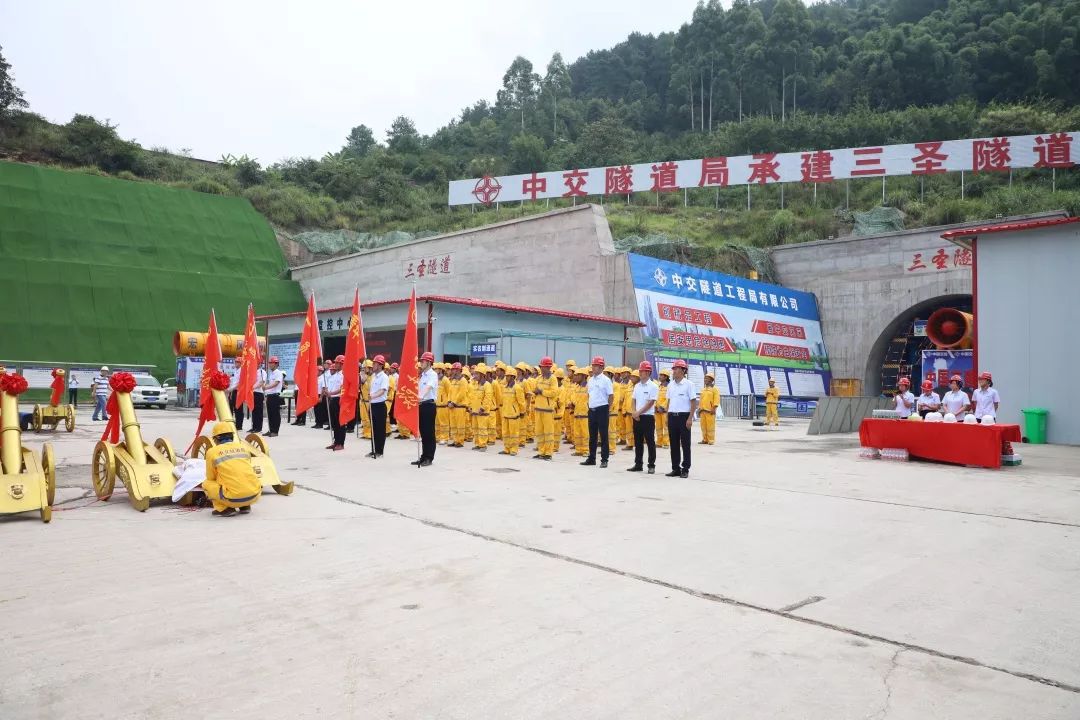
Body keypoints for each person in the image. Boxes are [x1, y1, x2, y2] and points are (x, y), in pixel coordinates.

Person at [203, 421, 262, 517]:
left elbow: (211, 476)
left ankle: (224, 509)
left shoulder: (212, 452)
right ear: (232, 436)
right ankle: (245, 506)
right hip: (254, 494)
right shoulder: (244, 448)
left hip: (232, 498)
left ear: (216, 439)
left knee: (207, 483)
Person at [665, 359, 698, 478]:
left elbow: (694, 402)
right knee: (673, 444)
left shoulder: (689, 384)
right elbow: (669, 401)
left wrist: (690, 418)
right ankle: (675, 468)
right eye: (673, 369)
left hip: (684, 417)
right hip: (672, 416)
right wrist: (666, 416)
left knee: (685, 444)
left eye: (676, 368)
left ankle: (685, 468)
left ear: (683, 370)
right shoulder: (670, 385)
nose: (674, 371)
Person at [581, 356, 614, 468]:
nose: (594, 368)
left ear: (601, 367)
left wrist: (607, 409)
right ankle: (591, 458)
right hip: (592, 410)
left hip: (602, 409)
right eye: (593, 365)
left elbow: (611, 396)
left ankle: (604, 459)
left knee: (604, 436)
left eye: (596, 366)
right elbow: (590, 394)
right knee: (592, 436)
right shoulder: (590, 380)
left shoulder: (606, 380)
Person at [628, 361, 658, 474]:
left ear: (648, 372)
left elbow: (650, 403)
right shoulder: (637, 386)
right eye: (640, 370)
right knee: (638, 442)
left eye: (642, 371)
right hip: (637, 417)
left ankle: (651, 465)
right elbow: (633, 400)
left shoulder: (653, 386)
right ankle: (638, 464)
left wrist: (638, 413)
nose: (640, 373)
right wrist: (634, 412)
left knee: (650, 442)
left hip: (647, 417)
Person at [413, 352, 438, 467]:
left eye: (422, 361)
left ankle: (429, 457)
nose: (421, 363)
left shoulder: (433, 374)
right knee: (423, 432)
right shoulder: (422, 375)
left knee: (429, 433)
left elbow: (428, 387)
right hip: (421, 405)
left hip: (428, 405)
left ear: (428, 362)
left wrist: (421, 396)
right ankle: (423, 457)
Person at [531, 357, 559, 460]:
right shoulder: (539, 378)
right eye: (541, 367)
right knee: (539, 432)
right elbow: (535, 389)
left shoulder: (553, 378)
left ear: (549, 367)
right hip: (538, 409)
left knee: (548, 432)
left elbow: (554, 393)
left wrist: (541, 391)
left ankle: (548, 453)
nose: (541, 369)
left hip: (547, 410)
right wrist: (535, 391)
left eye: (543, 367)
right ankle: (541, 451)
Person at [368, 355, 389, 458]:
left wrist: (372, 396)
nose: (373, 365)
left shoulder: (384, 377)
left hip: (380, 406)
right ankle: (373, 450)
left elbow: (382, 390)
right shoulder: (373, 376)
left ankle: (379, 451)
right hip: (372, 405)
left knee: (380, 430)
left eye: (375, 363)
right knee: (373, 429)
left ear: (380, 365)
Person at [324, 355, 345, 451]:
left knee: (340, 422)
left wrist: (331, 393)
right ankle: (336, 441)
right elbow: (329, 387)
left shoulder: (343, 375)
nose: (335, 364)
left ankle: (341, 443)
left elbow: (342, 389)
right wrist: (327, 392)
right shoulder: (334, 375)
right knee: (334, 422)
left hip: (339, 400)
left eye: (337, 363)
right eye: (335, 362)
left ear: (342, 364)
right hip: (332, 399)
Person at [447, 363, 469, 447]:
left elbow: (462, 393)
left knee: (460, 425)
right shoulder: (453, 380)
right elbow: (450, 392)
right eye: (453, 369)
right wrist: (449, 401)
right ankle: (455, 440)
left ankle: (460, 441)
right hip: (452, 406)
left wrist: (454, 402)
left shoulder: (463, 381)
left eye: (455, 369)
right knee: (453, 425)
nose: (453, 371)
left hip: (459, 406)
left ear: (459, 370)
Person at [262, 356, 283, 437]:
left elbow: (276, 384)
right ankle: (270, 429)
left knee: (275, 414)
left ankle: (275, 431)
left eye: (272, 363)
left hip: (275, 396)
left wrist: (266, 387)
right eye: (269, 363)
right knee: (269, 414)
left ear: (276, 364)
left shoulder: (278, 373)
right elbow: (270, 384)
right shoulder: (271, 374)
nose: (270, 364)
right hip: (270, 396)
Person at [698, 373, 720, 444]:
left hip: (710, 411)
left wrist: (714, 408)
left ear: (711, 380)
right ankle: (705, 439)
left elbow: (716, 400)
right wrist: (699, 408)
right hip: (702, 411)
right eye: (705, 378)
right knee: (703, 426)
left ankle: (711, 440)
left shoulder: (715, 389)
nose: (705, 380)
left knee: (710, 427)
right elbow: (701, 399)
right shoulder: (703, 390)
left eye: (707, 378)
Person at [655, 369, 670, 448]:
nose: (660, 377)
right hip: (657, 410)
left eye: (661, 375)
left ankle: (666, 443)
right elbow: (656, 397)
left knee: (666, 427)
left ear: (666, 377)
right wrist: (655, 406)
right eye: (660, 375)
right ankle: (659, 442)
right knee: (658, 427)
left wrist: (662, 407)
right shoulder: (659, 386)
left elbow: (668, 399)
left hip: (664, 411)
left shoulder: (669, 387)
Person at [436, 363, 451, 444]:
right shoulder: (436, 379)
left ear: (441, 370)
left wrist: (448, 402)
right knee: (437, 423)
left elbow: (449, 392)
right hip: (436, 405)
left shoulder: (445, 380)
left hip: (443, 405)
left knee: (444, 423)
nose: (435, 370)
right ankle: (438, 437)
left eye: (437, 369)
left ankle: (444, 438)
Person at [249, 363, 266, 434]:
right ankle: (254, 427)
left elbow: (262, 382)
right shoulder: (252, 372)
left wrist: (253, 388)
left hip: (259, 393)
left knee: (258, 412)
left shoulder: (262, 372)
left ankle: (258, 428)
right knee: (253, 411)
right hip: (252, 393)